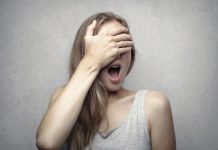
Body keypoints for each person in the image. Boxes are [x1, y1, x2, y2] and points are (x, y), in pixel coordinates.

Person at [36, 12, 176, 150]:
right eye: (105, 46)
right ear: (85, 53)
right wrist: (91, 62)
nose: (114, 52)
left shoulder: (153, 105)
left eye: (121, 44)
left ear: (131, 53)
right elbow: (47, 143)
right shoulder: (62, 97)